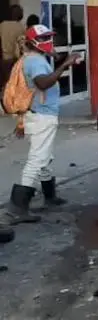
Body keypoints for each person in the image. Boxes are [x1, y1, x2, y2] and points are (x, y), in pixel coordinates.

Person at [2, 25, 81, 226]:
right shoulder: (35, 61)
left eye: (49, 37)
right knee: (37, 159)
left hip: (37, 115)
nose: (49, 41)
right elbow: (43, 83)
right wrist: (65, 65)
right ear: (34, 42)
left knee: (46, 157)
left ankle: (50, 196)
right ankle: (16, 209)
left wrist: (59, 60)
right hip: (41, 117)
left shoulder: (31, 58)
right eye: (45, 38)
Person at [0, 4, 26, 93]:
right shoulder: (21, 26)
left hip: (5, 59)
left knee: (7, 82)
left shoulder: (2, 25)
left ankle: (6, 103)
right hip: (17, 59)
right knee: (17, 83)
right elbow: (23, 45)